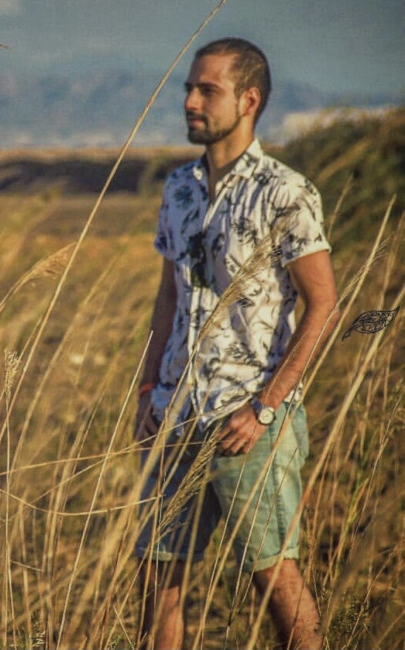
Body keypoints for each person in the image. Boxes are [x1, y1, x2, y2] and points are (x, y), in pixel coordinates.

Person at [134, 37, 338, 649]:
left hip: (246, 418)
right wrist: (147, 388)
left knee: (274, 576)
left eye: (207, 90)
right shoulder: (179, 187)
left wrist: (265, 408)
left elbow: (323, 303)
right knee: (157, 577)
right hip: (174, 413)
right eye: (189, 89)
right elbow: (168, 295)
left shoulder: (286, 192)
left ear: (249, 100)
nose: (190, 101)